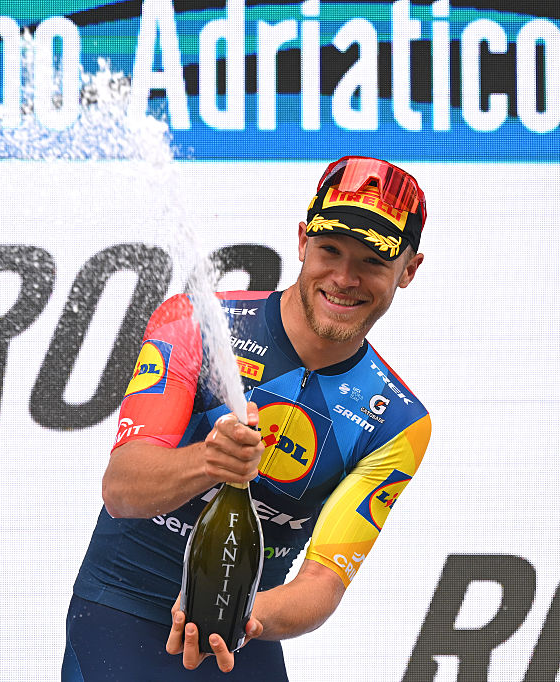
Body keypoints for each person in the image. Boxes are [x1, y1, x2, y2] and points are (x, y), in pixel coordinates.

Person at [63, 156, 432, 680]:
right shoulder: (194, 320)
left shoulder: (397, 421)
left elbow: (323, 583)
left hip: (243, 638)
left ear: (409, 271)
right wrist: (208, 462)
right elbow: (123, 488)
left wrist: (242, 616)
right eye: (330, 250)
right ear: (303, 241)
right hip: (120, 616)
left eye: (372, 260)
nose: (344, 278)